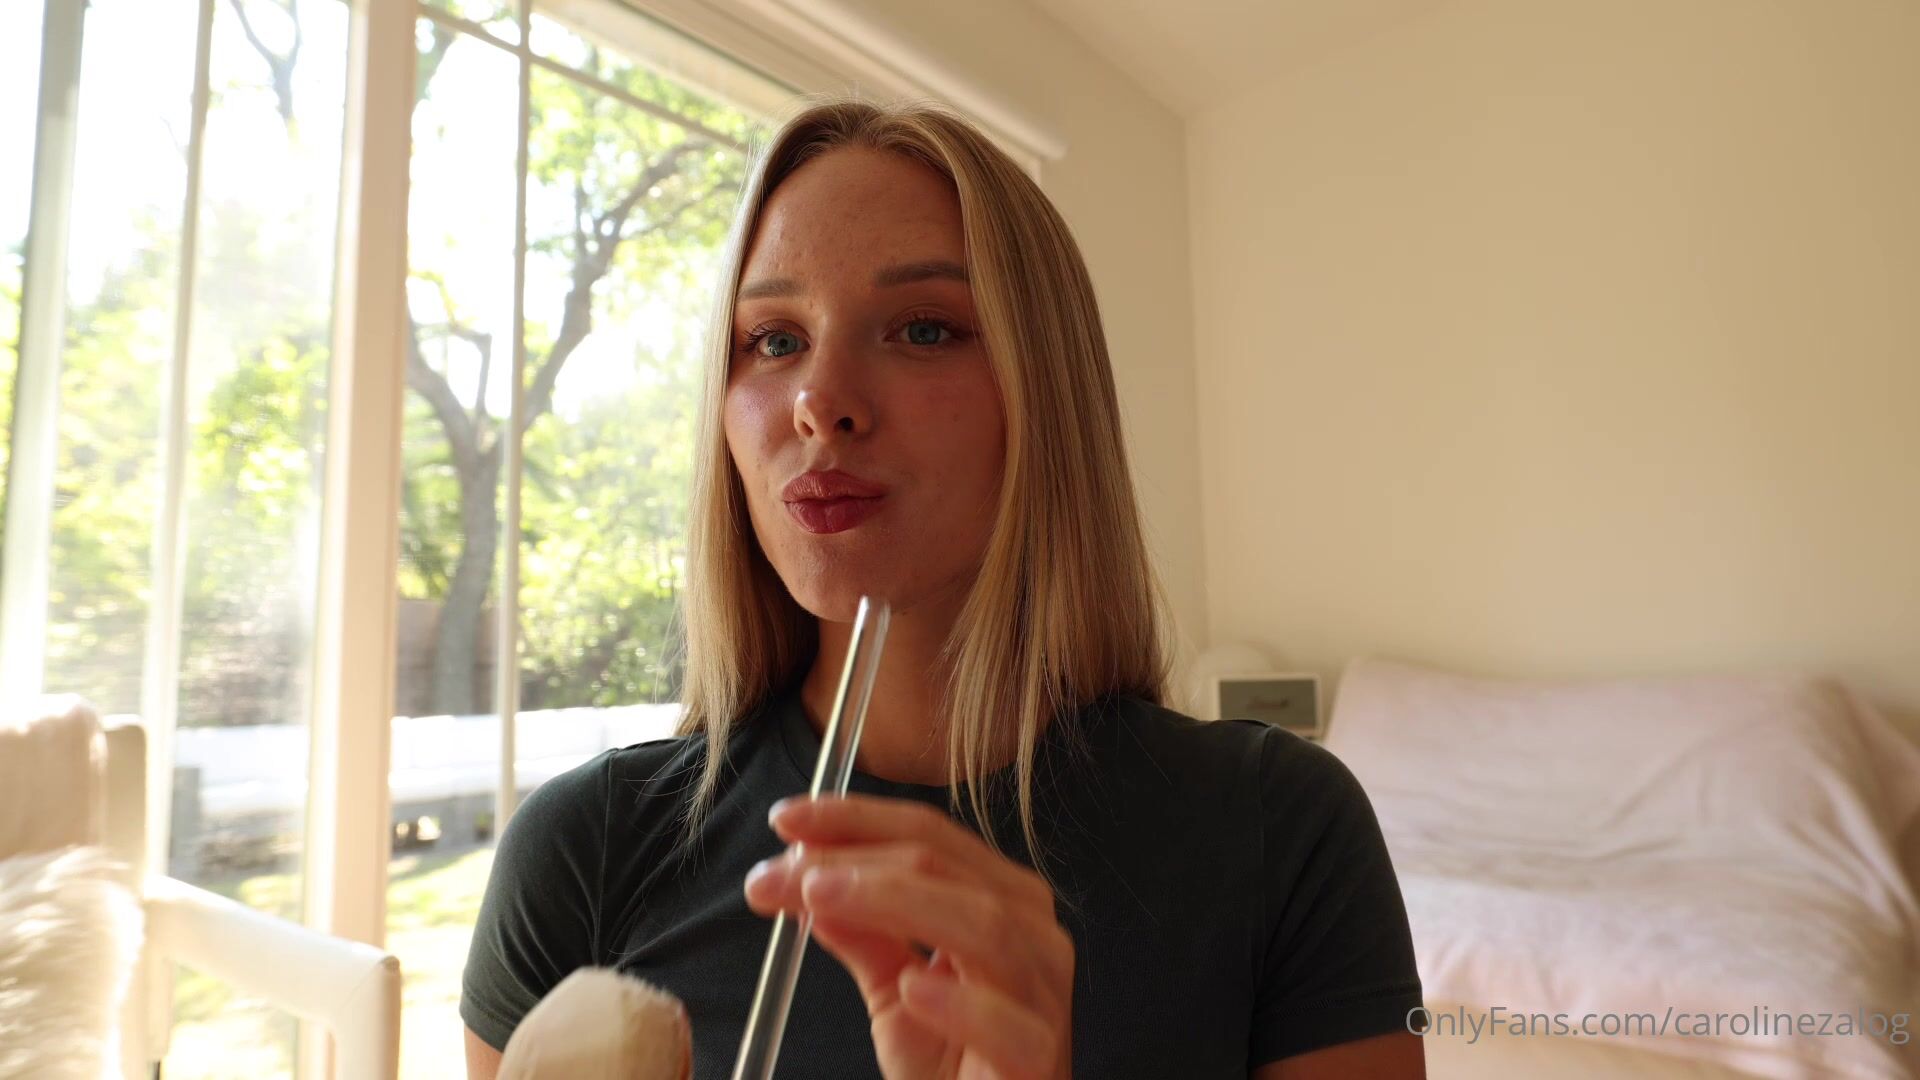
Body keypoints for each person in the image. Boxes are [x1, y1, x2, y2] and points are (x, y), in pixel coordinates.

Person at [461, 96, 1426, 1080]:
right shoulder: (585, 851)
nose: (820, 402)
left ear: (1046, 393)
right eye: (775, 339)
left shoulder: (1277, 831)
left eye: (923, 328)